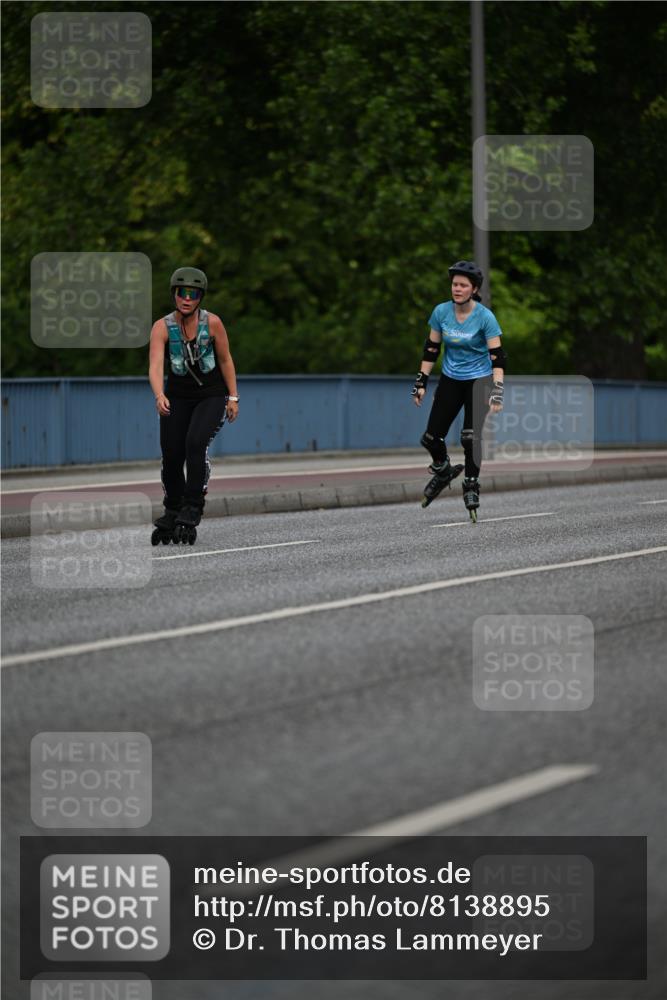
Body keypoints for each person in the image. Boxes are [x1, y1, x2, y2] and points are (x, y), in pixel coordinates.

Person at [148, 266, 239, 544]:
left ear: (200, 297)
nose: (186, 299)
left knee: (195, 443)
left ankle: (192, 506)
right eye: (181, 293)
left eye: (193, 294)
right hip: (177, 395)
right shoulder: (162, 326)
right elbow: (154, 365)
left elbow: (225, 360)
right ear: (174, 294)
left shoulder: (213, 323)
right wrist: (159, 394)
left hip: (210, 394)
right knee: (172, 452)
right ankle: (172, 508)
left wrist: (233, 397)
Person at [411, 260, 506, 521]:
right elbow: (431, 350)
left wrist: (497, 390)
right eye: (455, 284)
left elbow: (498, 357)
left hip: (480, 381)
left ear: (474, 290)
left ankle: (471, 485)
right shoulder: (441, 312)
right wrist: (420, 382)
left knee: (469, 437)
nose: (457, 289)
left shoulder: (485, 317)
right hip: (451, 379)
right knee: (430, 438)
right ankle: (443, 471)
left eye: (463, 285)